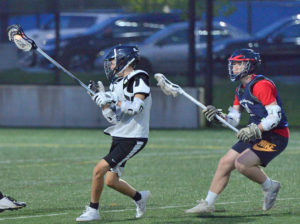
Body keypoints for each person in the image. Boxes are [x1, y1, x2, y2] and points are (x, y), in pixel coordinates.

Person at [186, 48, 289, 214]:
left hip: (275, 137)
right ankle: (208, 204)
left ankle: (270, 186)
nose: (234, 68)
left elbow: (275, 116)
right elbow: (233, 119)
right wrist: (219, 117)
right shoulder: (240, 89)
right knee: (225, 163)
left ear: (250, 65)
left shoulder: (261, 85)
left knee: (242, 164)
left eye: (238, 64)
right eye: (233, 64)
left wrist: (256, 129)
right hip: (255, 133)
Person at [76, 45, 152, 222]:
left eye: (112, 62)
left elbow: (135, 107)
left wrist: (112, 99)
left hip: (134, 137)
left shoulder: (139, 77)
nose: (110, 66)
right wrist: (102, 102)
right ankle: (140, 197)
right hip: (120, 135)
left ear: (124, 60)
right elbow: (113, 119)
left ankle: (93, 210)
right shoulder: (116, 84)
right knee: (111, 180)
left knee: (98, 171)